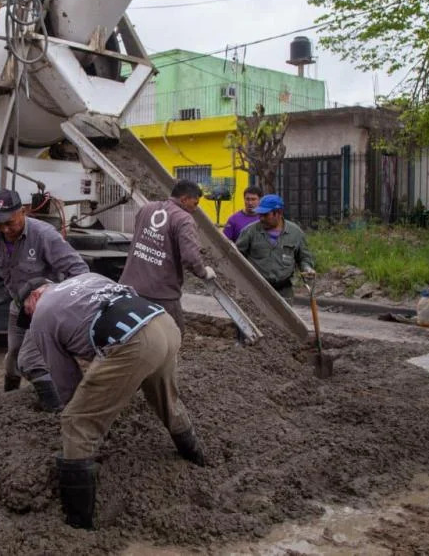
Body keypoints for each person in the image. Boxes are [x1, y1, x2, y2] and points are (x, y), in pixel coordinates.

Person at [21, 272, 207, 530]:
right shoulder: (88, 277)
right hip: (162, 323)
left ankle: (77, 524)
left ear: (35, 296)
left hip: (131, 340)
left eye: (26, 311)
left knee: (77, 421)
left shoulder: (41, 314)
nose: (29, 317)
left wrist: (84, 409)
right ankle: (199, 460)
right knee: (166, 399)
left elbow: (65, 379)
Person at [0, 189, 88, 408]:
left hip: (44, 309)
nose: (4, 229)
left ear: (22, 212)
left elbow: (79, 271)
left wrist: (56, 298)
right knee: (13, 356)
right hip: (18, 305)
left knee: (31, 360)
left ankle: (57, 409)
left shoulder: (44, 235)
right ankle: (9, 401)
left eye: (9, 223)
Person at [118, 180, 216, 331]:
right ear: (184, 199)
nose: (195, 209)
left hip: (130, 288)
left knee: (132, 333)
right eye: (195, 203)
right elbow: (190, 258)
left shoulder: (147, 208)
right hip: (161, 294)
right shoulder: (184, 219)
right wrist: (203, 272)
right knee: (174, 336)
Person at [235, 193, 314, 304]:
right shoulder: (250, 232)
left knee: (282, 320)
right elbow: (236, 256)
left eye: (266, 215)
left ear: (279, 213)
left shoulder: (295, 233)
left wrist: (307, 268)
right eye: (260, 215)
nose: (261, 218)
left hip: (283, 290)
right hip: (255, 288)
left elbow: (304, 257)